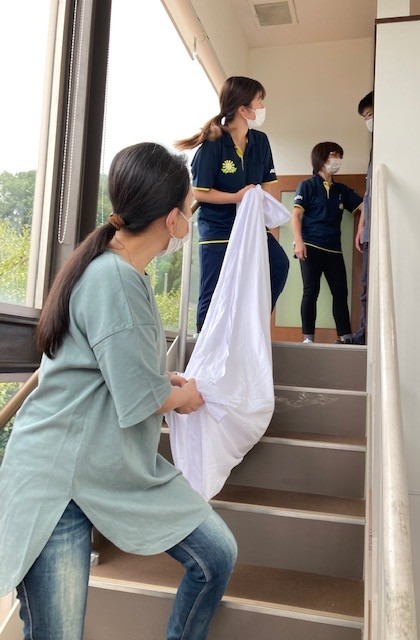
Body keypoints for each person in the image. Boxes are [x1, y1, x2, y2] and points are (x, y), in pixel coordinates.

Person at [0, 142, 237, 640]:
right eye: (190, 209)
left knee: (216, 554)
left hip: (102, 466)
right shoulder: (115, 278)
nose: (190, 220)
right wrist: (182, 397)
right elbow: (141, 399)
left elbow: (115, 373)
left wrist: (163, 383)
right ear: (172, 220)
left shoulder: (124, 273)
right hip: (58, 480)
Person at [176, 76, 289, 333]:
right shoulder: (213, 143)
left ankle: (250, 329)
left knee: (278, 265)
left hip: (251, 226)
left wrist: (262, 216)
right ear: (243, 109)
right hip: (219, 227)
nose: (262, 106)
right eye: (259, 100)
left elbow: (267, 185)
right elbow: (200, 192)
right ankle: (204, 339)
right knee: (213, 287)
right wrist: (236, 197)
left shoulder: (260, 141)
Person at [292, 142, 363, 344]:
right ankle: (308, 338)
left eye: (339, 156)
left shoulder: (341, 190)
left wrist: (360, 230)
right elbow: (296, 215)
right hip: (310, 246)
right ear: (321, 158)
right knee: (310, 292)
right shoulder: (307, 186)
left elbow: (364, 207)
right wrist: (298, 242)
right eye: (333, 155)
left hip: (334, 249)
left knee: (340, 293)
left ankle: (345, 336)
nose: (337, 160)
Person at [352, 91, 374, 345]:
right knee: (366, 285)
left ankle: (366, 333)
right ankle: (363, 333)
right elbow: (367, 193)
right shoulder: (373, 149)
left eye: (370, 115)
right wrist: (361, 225)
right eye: (365, 117)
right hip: (368, 231)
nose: (368, 121)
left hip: (378, 231)